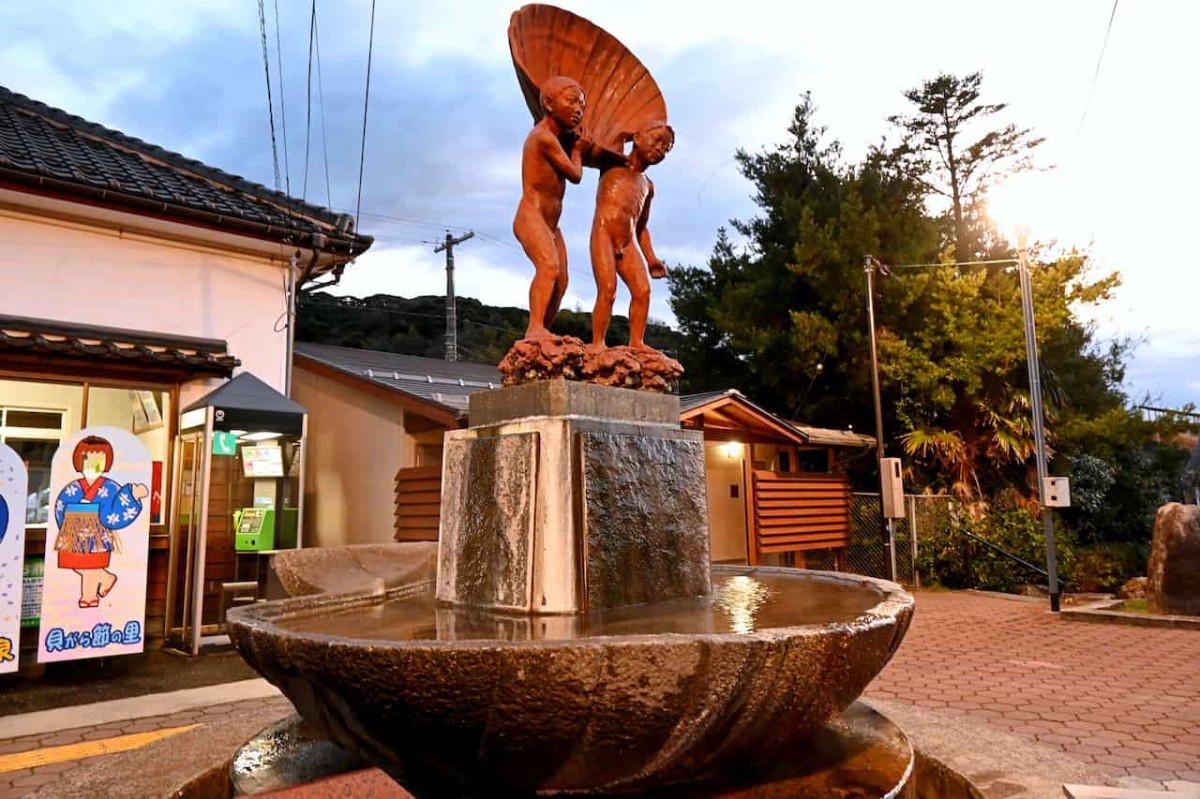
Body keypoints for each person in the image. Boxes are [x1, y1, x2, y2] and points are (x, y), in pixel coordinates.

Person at [513, 76, 589, 339]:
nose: (579, 110)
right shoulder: (542, 137)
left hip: (552, 225)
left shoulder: (557, 139)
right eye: (571, 102)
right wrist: (578, 150)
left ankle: (543, 330)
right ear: (548, 103)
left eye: (582, 104)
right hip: (531, 215)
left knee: (562, 280)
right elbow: (575, 174)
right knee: (548, 267)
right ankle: (534, 327)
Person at [589, 122, 674, 351]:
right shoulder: (612, 162)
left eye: (666, 148)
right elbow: (594, 146)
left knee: (643, 291)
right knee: (607, 289)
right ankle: (598, 343)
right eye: (656, 140)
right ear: (637, 137)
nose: (660, 149)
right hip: (604, 232)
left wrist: (651, 258)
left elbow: (642, 227)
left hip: (627, 242)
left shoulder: (648, 186)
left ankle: (637, 342)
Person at [54, 436, 148, 609]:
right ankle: (105, 578)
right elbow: (61, 506)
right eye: (87, 460)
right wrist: (69, 523)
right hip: (74, 535)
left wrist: (133, 494)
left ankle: (89, 597)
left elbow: (115, 511)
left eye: (99, 460)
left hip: (97, 535)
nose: (92, 465)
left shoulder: (109, 487)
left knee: (90, 565)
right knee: (73, 562)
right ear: (79, 461)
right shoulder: (73, 488)